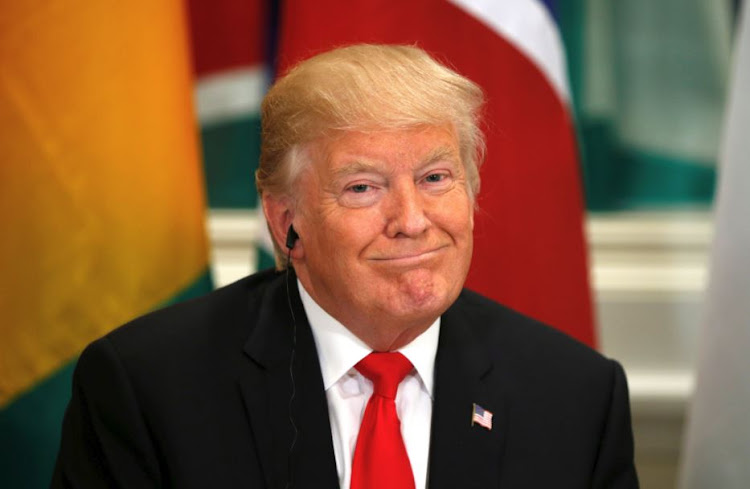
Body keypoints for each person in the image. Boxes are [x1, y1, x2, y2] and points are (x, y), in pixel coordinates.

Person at [52, 44, 638, 488]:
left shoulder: (576, 395)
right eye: (362, 187)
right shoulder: (147, 387)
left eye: (435, 178)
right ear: (287, 221)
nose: (411, 220)